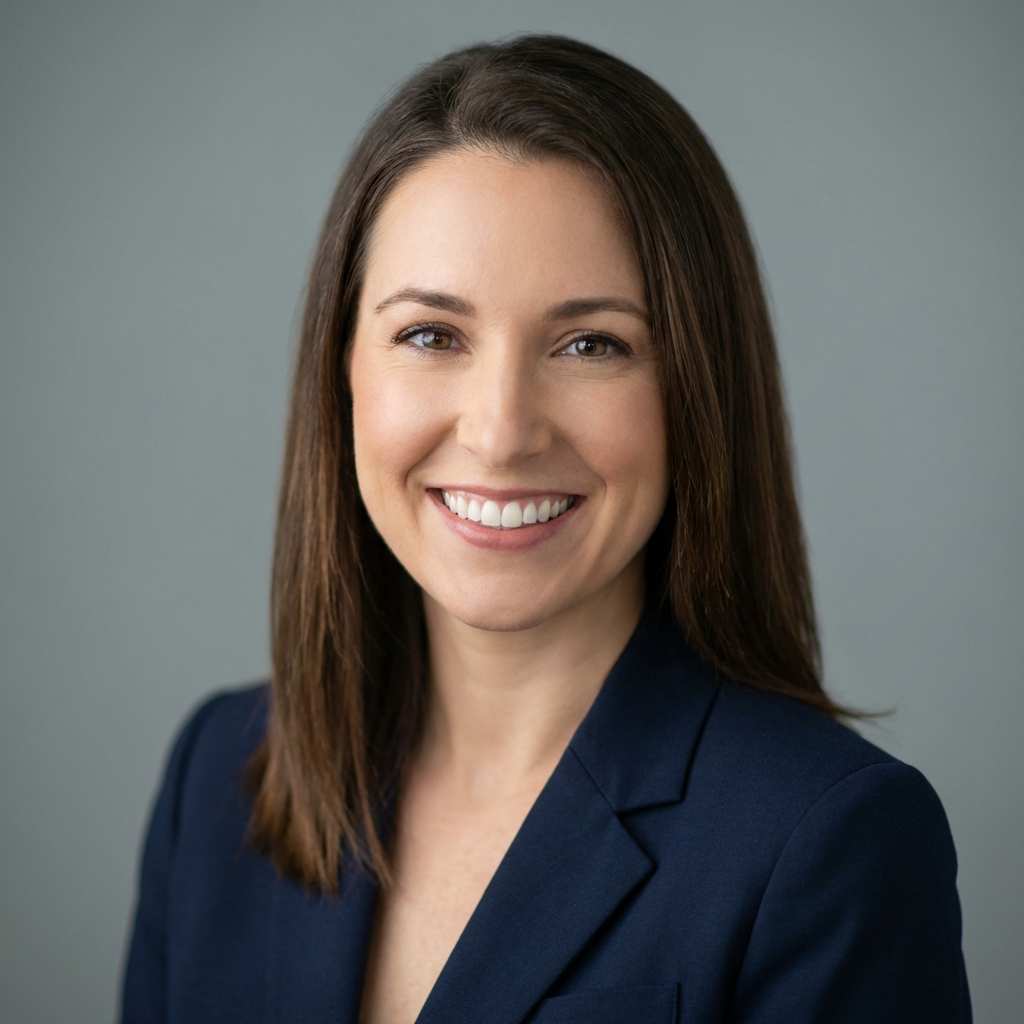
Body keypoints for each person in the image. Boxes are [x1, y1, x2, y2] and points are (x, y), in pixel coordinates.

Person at [119, 35, 971, 1024]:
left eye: (590, 343)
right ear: (340, 371)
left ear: (696, 390)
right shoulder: (218, 773)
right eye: (431, 335)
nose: (499, 430)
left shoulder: (828, 838)